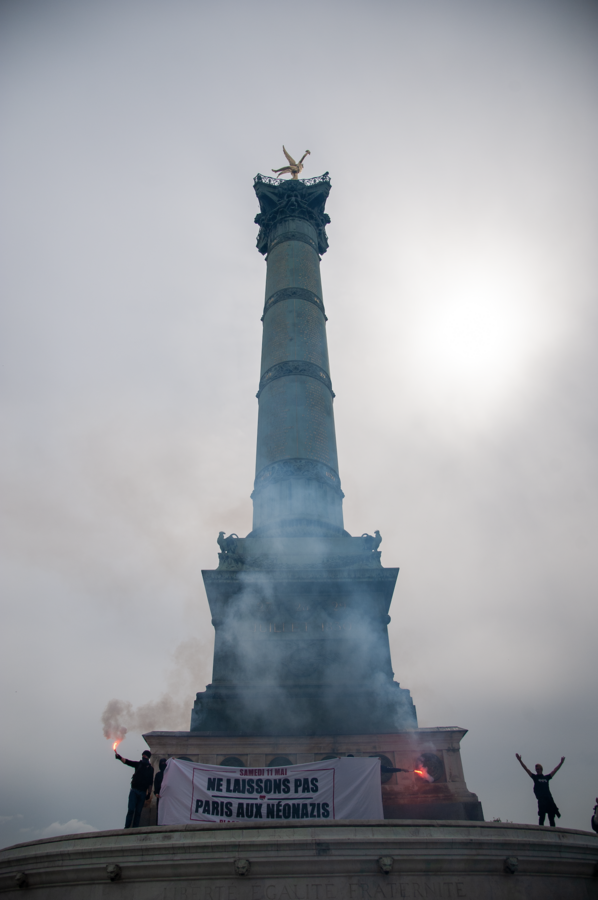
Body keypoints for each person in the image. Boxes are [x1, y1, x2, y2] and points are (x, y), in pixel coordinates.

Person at [515, 753, 565, 827]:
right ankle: (541, 830)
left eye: (538, 769)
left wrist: (561, 762)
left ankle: (554, 831)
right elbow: (526, 769)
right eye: (536, 769)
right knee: (542, 816)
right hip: (541, 800)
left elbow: (555, 770)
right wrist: (520, 760)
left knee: (551, 817)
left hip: (549, 799)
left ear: (541, 769)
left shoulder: (546, 778)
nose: (537, 770)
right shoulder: (535, 777)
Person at [115, 749, 154, 828]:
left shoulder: (150, 769)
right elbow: (128, 762)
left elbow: (150, 782)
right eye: (143, 755)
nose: (143, 757)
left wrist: (149, 793)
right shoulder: (138, 764)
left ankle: (134, 829)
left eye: (145, 756)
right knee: (131, 810)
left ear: (148, 757)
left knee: (138, 812)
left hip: (142, 792)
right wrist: (119, 757)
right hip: (134, 791)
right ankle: (127, 827)